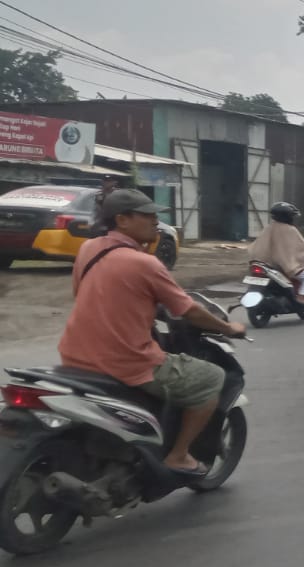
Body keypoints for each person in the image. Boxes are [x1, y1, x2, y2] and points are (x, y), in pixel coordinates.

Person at [58, 188, 246, 476]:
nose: (155, 221)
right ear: (122, 219)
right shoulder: (145, 263)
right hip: (127, 362)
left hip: (75, 356)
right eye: (147, 215)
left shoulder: (88, 249)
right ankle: (179, 455)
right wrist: (228, 327)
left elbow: (85, 293)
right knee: (212, 377)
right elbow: (189, 311)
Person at [250, 202, 304, 304]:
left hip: (265, 264)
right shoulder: (290, 230)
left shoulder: (269, 228)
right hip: (284, 267)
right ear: (289, 217)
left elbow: (256, 246)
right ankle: (303, 297)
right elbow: (302, 248)